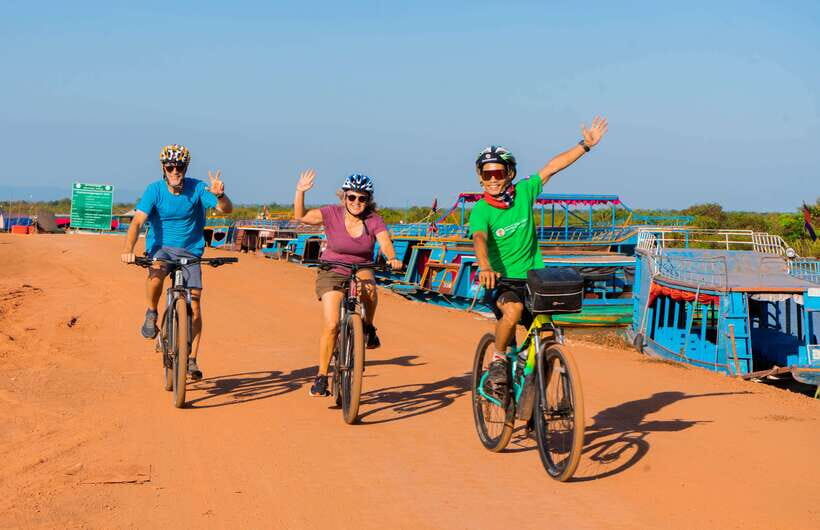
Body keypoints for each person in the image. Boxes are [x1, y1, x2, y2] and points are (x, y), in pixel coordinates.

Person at [470, 117, 608, 393]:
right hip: (501, 281)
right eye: (488, 174)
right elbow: (479, 238)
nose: (493, 179)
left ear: (510, 173)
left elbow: (552, 167)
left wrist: (585, 146)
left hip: (534, 279)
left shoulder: (524, 192)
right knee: (514, 311)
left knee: (547, 336)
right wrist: (484, 267)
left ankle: (536, 401)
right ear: (481, 177)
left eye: (499, 173)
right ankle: (498, 360)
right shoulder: (481, 210)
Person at [120, 144, 233, 380]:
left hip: (191, 252)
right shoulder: (154, 190)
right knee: (156, 274)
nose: (175, 171)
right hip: (161, 250)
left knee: (195, 306)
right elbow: (138, 222)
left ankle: (191, 359)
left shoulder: (198, 187)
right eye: (170, 167)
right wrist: (128, 249)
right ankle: (151, 312)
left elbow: (226, 210)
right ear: (163, 168)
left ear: (185, 167)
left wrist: (220, 195)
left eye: (179, 166)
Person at [293, 170, 404, 397]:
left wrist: (392, 257)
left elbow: (384, 241)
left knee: (370, 291)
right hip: (332, 270)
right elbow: (301, 216)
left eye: (362, 198)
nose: (356, 202)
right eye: (351, 197)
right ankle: (322, 376)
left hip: (362, 267)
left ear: (368, 200)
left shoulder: (373, 220)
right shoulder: (330, 213)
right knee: (332, 324)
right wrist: (300, 192)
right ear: (343, 197)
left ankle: (369, 327)